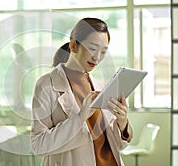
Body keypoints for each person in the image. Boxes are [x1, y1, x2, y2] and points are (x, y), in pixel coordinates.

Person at [31, 18, 133, 166]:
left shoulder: (100, 86)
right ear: (73, 45)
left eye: (103, 51)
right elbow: (38, 145)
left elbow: (116, 145)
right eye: (92, 48)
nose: (97, 57)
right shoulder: (46, 85)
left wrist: (122, 123)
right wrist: (80, 117)